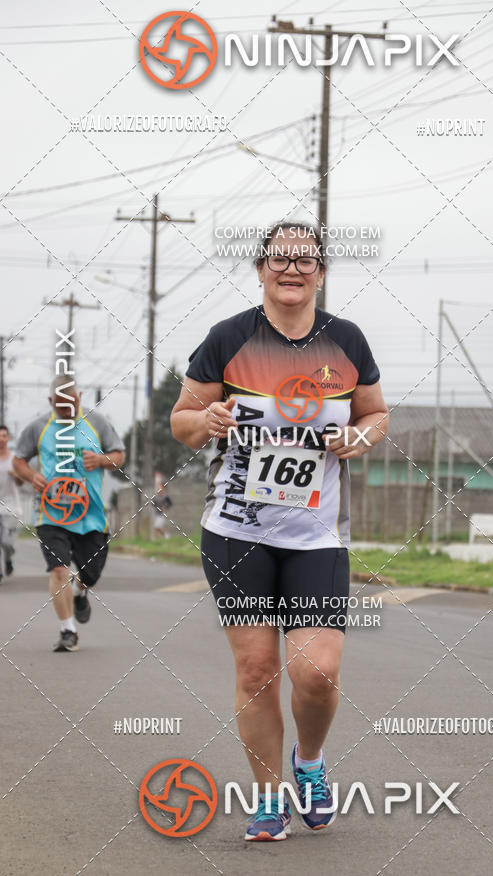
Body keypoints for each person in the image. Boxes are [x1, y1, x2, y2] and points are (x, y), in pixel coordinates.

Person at [171, 221, 388, 841]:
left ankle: (310, 764)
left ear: (320, 272)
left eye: (305, 260)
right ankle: (268, 797)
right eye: (280, 259)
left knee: (316, 672)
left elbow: (376, 413)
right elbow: (181, 419)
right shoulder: (229, 338)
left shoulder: (345, 341)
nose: (292, 270)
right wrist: (204, 417)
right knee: (257, 668)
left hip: (317, 534)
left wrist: (358, 436)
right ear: (261, 268)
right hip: (237, 530)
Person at [13, 376, 125, 652]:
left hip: (91, 517)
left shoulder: (97, 423)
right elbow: (18, 460)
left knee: (90, 574)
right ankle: (68, 630)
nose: (67, 411)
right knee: (59, 569)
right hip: (52, 514)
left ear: (80, 396)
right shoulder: (39, 427)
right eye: (61, 407)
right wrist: (32, 476)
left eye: (72, 404)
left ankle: (80, 591)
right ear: (51, 402)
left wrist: (101, 460)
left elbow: (119, 455)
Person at [0, 424, 23, 582]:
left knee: (6, 542)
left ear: (8, 438)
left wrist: (16, 475)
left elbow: (22, 482)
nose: (1, 439)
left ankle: (8, 559)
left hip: (11, 507)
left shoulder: (14, 459)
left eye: (3, 436)